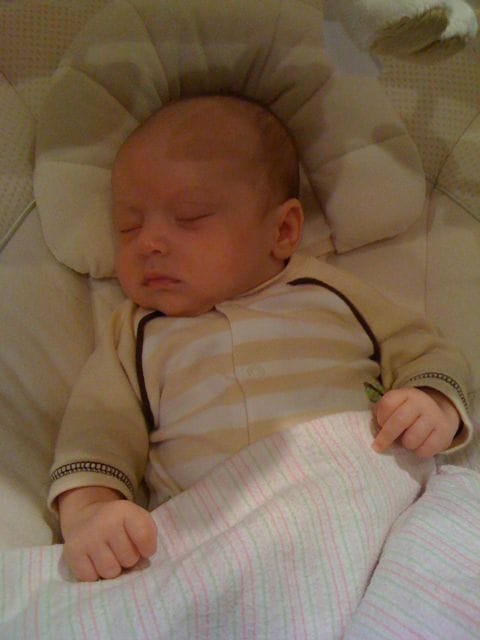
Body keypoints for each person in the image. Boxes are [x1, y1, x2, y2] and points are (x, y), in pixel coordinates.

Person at [48, 95, 473, 582]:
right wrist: (90, 513)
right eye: (128, 226)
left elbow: (424, 348)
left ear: (283, 230)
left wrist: (432, 403)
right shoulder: (135, 332)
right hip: (216, 545)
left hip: (365, 503)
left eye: (189, 216)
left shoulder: (326, 291)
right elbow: (95, 432)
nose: (148, 242)